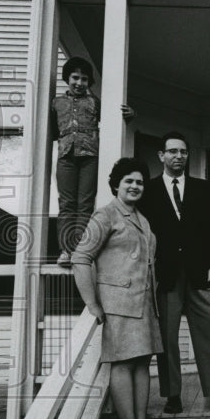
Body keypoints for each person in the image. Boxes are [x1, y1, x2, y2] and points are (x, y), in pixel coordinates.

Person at [71, 157, 171, 419]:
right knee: (124, 365)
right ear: (116, 184)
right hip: (118, 305)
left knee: (142, 365)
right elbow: (81, 258)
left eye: (139, 182)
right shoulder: (105, 216)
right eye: (129, 181)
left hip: (143, 305)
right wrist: (92, 303)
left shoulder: (142, 218)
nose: (135, 186)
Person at [138, 131, 210, 414]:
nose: (178, 156)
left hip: (200, 271)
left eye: (183, 152)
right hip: (165, 274)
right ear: (161, 156)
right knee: (167, 336)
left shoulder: (202, 189)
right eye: (172, 151)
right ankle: (172, 395)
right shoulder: (149, 191)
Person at [52, 56, 134, 267]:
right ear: (67, 78)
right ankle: (65, 250)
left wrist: (129, 115)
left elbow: (114, 118)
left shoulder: (95, 102)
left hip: (89, 157)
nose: (79, 83)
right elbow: (52, 131)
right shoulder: (56, 103)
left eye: (84, 79)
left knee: (85, 204)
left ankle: (80, 249)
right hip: (66, 156)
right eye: (75, 78)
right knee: (67, 203)